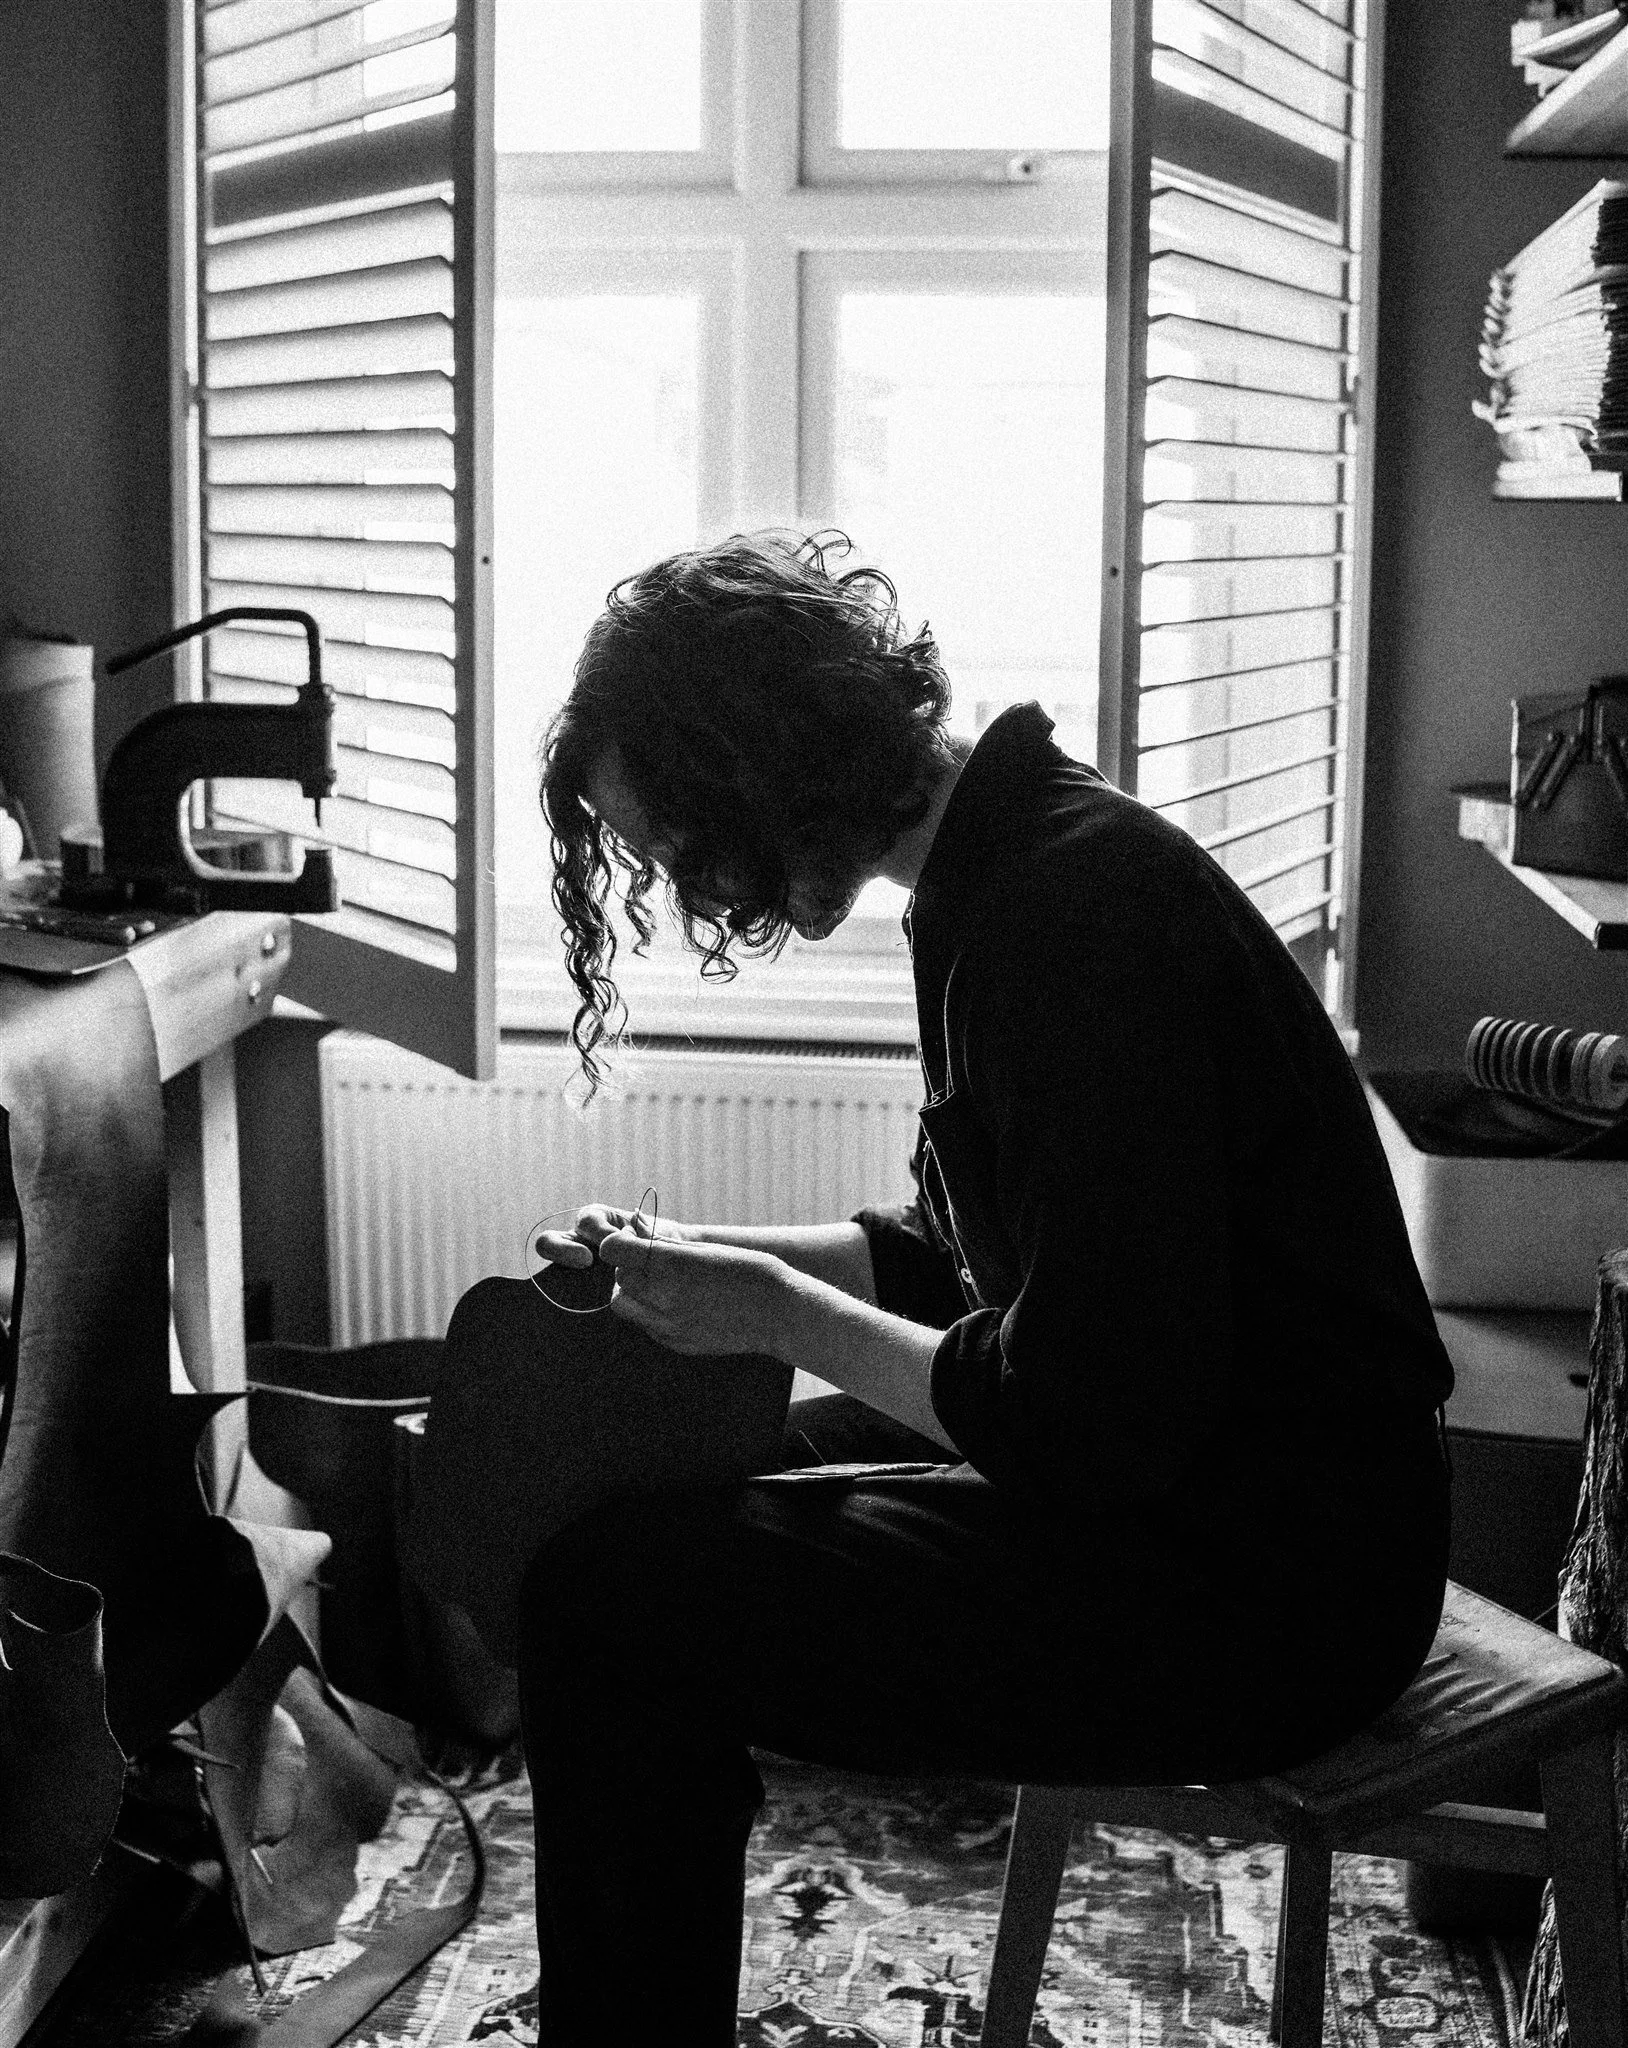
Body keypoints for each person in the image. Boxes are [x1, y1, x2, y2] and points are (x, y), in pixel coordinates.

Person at [507, 529, 1451, 2043]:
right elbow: (974, 1259)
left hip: (1270, 1593)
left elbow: (1083, 1422)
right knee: (692, 1486)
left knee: (614, 1605)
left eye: (680, 834)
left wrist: (781, 1320)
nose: (682, 884)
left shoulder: (1068, 923)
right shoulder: (1004, 871)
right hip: (1199, 1511)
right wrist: (727, 1271)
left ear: (763, 765)